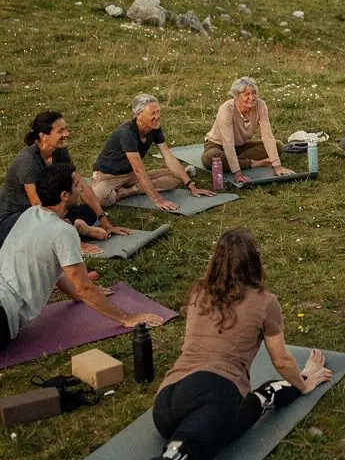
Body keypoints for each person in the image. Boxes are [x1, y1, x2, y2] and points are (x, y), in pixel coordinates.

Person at [67, 228, 332, 460]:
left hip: (167, 402)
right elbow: (282, 360)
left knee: (254, 403)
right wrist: (303, 382)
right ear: (254, 263)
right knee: (174, 457)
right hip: (214, 398)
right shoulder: (264, 301)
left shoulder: (198, 292)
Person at [0, 165, 162, 349]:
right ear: (64, 195)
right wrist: (127, 318)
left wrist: (75, 295)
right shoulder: (63, 232)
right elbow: (84, 287)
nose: (81, 188)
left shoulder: (30, 214)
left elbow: (55, 269)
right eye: (77, 185)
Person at [0, 111, 132, 252]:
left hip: (45, 212)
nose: (67, 133)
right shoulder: (28, 162)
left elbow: (81, 185)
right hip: (15, 219)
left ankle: (74, 228)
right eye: (60, 131)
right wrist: (73, 243)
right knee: (37, 234)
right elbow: (37, 209)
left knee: (89, 211)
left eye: (66, 129)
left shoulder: (59, 150)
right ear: (43, 136)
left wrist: (105, 223)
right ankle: (74, 230)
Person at [92, 95, 214, 213]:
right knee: (103, 198)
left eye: (158, 112)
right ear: (138, 115)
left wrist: (190, 185)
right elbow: (139, 169)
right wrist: (158, 200)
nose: (157, 116)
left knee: (179, 176)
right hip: (108, 176)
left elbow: (168, 156)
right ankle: (124, 189)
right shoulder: (127, 133)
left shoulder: (154, 128)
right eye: (153, 113)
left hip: (131, 174)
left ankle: (130, 191)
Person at [202, 78, 294, 185]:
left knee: (278, 146)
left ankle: (236, 161)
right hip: (218, 145)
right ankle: (251, 163)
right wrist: (238, 173)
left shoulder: (261, 105)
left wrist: (277, 165)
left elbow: (267, 136)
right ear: (236, 96)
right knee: (212, 158)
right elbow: (228, 143)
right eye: (247, 94)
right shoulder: (226, 109)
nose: (252, 97)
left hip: (240, 146)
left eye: (254, 93)